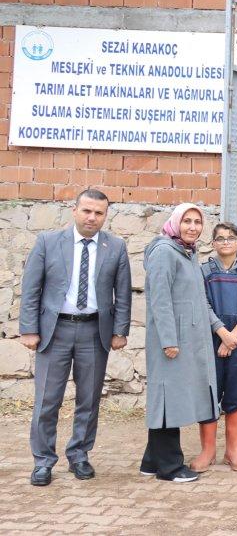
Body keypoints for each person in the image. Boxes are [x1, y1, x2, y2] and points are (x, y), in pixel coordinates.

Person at [19, 189, 132, 486]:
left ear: (105, 215)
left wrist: (120, 331)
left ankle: (79, 454)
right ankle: (43, 461)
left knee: (89, 399)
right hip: (54, 331)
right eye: (87, 211)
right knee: (47, 399)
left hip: (94, 332)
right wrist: (29, 328)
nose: (92, 218)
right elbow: (31, 288)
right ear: (75, 210)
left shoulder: (116, 247)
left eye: (99, 213)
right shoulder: (48, 242)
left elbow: (123, 294)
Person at [140, 204, 217, 483]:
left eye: (197, 222)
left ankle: (151, 461)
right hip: (170, 341)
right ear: (175, 223)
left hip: (185, 339)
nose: (193, 227)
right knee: (167, 400)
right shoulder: (164, 252)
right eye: (187, 221)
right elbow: (159, 300)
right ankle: (170, 467)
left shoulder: (187, 252)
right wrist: (169, 340)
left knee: (169, 398)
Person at [192, 222, 237, 473]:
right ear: (212, 243)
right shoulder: (203, 271)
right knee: (209, 395)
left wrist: (233, 336)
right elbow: (202, 304)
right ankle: (207, 451)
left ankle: (233, 450)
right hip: (211, 339)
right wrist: (222, 333)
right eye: (219, 238)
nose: (225, 242)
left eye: (230, 238)